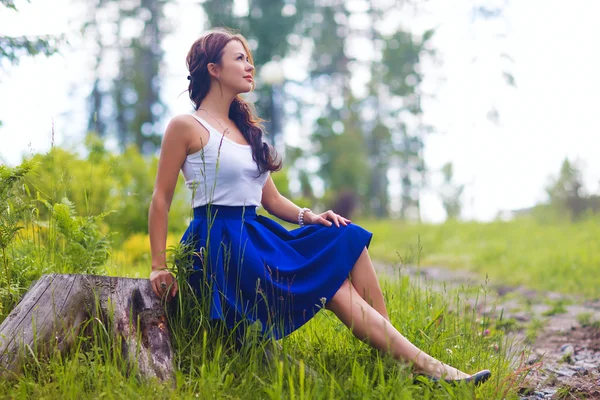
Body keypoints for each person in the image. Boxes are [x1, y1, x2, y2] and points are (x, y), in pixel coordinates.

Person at [148, 28, 490, 385]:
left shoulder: (245, 131)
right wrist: (159, 265)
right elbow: (161, 198)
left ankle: (404, 356)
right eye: (240, 59)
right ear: (213, 69)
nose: (250, 66)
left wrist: (310, 217)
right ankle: (421, 365)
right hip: (221, 248)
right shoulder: (186, 126)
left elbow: (273, 200)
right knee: (335, 287)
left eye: (249, 58)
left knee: (344, 235)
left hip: (257, 236)